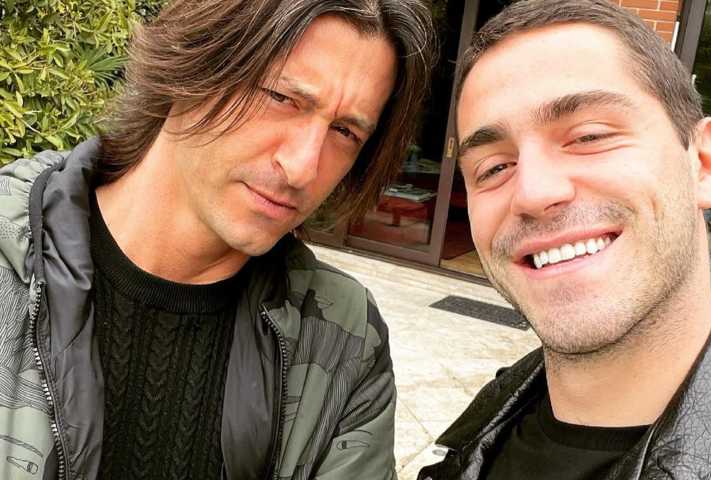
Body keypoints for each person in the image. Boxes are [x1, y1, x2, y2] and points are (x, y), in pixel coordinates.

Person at [0, 0, 435, 478]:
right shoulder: (10, 261)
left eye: (345, 131)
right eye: (282, 98)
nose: (303, 168)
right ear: (192, 64)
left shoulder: (344, 341)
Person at [418, 0, 711, 478]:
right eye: (495, 167)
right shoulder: (480, 436)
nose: (532, 193)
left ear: (704, 164)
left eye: (589, 136)